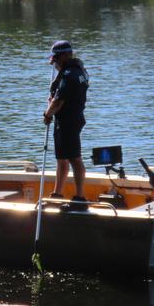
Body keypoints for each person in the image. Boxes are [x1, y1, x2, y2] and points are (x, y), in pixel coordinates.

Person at [43, 40, 89, 210]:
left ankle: (80, 197)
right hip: (74, 118)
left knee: (74, 158)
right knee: (62, 159)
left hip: (67, 121)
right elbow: (62, 96)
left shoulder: (69, 74)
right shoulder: (80, 71)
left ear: (63, 56)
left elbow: (58, 101)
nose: (54, 63)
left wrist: (47, 114)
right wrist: (53, 100)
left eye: (55, 59)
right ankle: (57, 194)